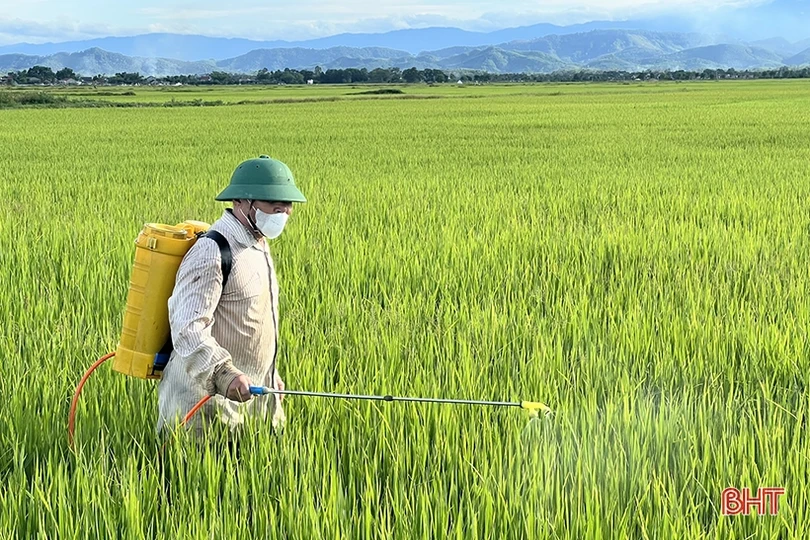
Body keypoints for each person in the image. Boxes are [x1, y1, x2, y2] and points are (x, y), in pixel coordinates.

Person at [156, 155, 306, 437]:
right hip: (200, 407)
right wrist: (224, 374)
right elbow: (188, 329)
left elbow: (252, 325)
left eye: (287, 205)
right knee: (200, 480)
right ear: (241, 202)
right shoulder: (212, 251)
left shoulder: (256, 245)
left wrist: (270, 376)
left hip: (245, 402)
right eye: (272, 203)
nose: (283, 211)